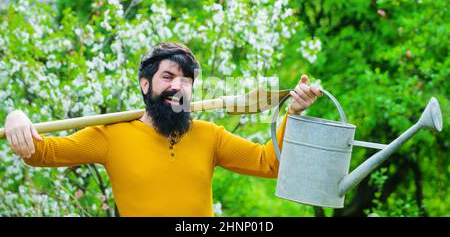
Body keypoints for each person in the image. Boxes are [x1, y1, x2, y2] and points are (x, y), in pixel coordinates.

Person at [4, 42, 322, 216]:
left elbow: (270, 163)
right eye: (168, 77)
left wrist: (291, 114)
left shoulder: (211, 136)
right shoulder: (110, 136)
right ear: (145, 85)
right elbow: (40, 152)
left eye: (186, 80)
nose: (178, 86)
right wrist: (16, 117)